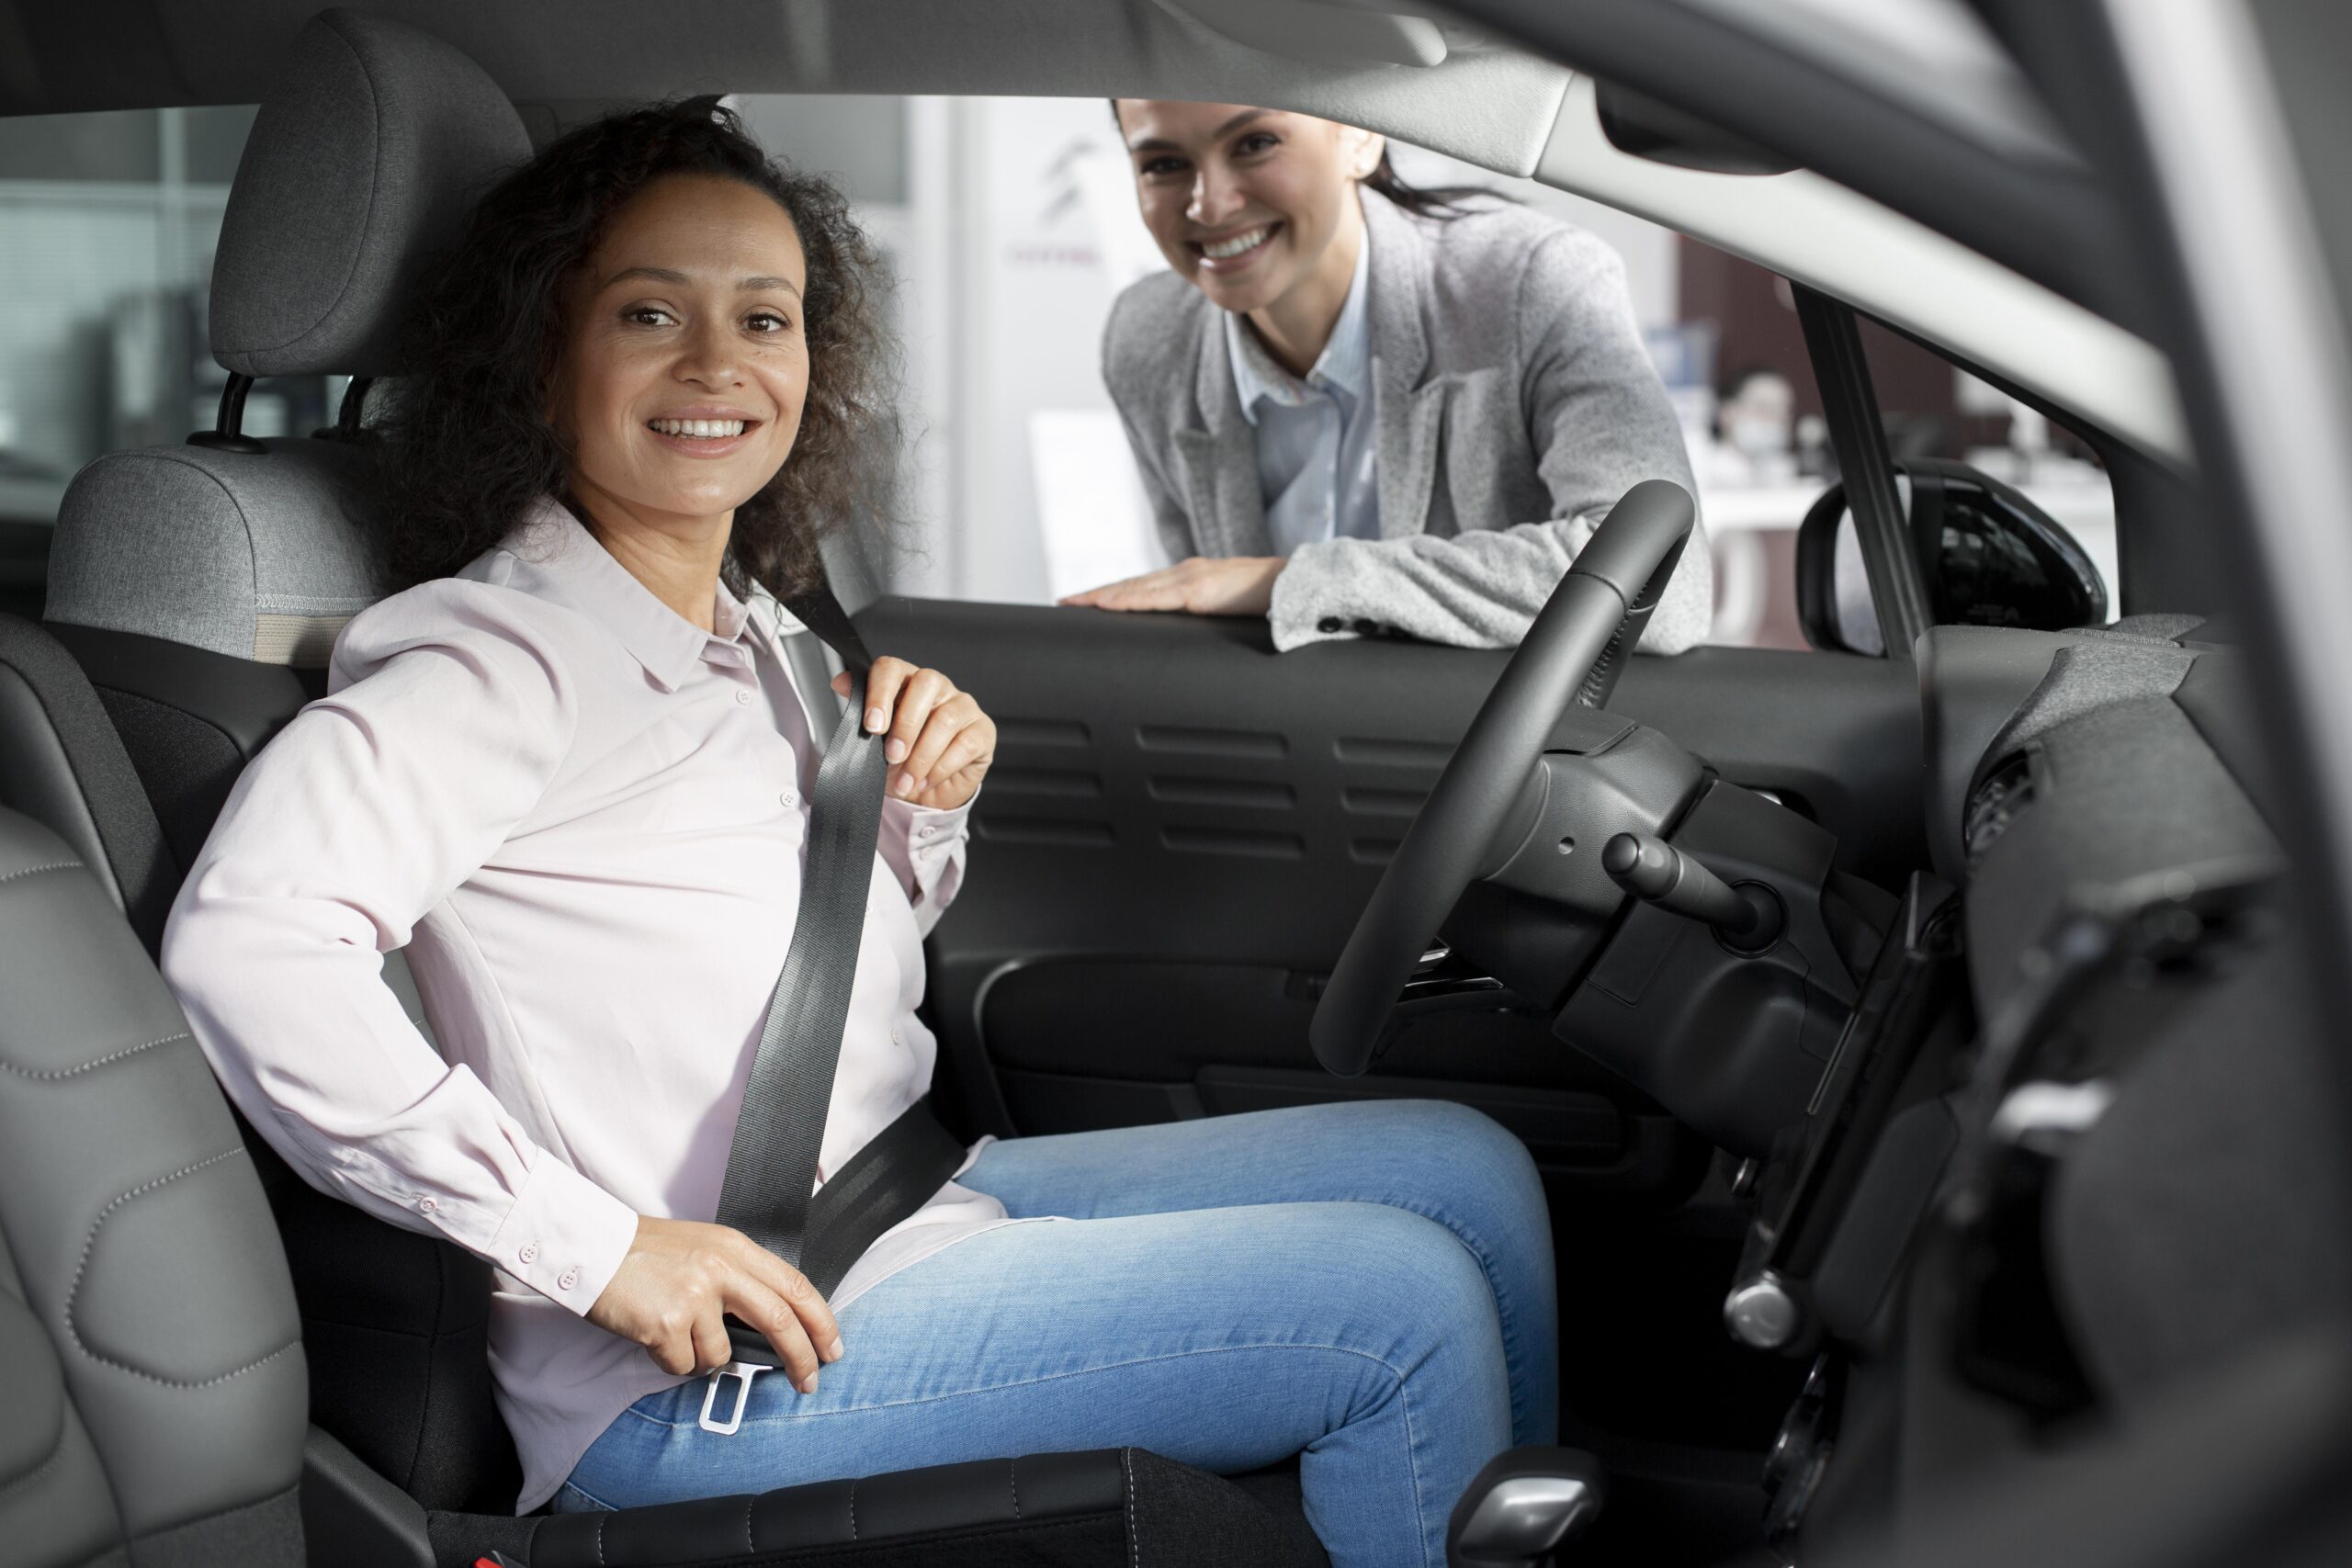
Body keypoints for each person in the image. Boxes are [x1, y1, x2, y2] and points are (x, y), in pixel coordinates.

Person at [160, 103, 1555, 1568]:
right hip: (710, 1369)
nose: (718, 365)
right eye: (649, 312)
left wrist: (915, 810)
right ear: (542, 356)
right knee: (1391, 1307)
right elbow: (250, 941)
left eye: (765, 316)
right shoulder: (500, 658)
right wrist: (594, 1242)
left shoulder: (751, 623)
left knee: (1465, 1166)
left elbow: (797, 936)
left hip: (902, 1196)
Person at [1064, 101, 1713, 654]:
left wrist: (1287, 582)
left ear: (1360, 135)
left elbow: (1665, 582)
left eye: (1255, 143)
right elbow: (1205, 628)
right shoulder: (1146, 339)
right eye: (1163, 164)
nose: (1209, 204)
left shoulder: (1531, 283)